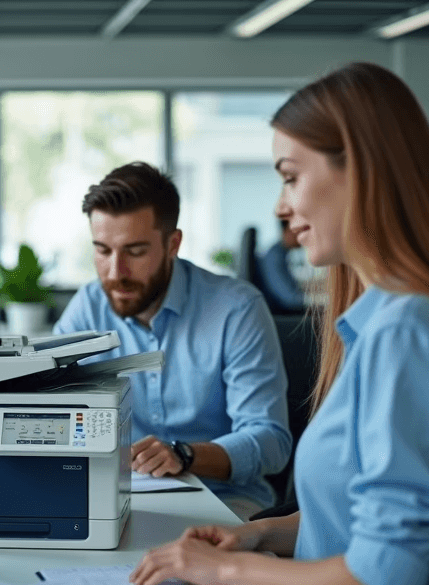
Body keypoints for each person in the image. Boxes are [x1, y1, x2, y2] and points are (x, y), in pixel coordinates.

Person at [130, 63, 429, 585]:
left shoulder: (409, 334)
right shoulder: (386, 323)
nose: (281, 206)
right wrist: (261, 534)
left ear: (361, 174)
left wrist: (225, 572)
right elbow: (362, 515)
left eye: (291, 178)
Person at [54, 162, 292, 520]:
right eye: (103, 251)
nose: (116, 272)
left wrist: (184, 455)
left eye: (134, 251)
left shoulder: (237, 309)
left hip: (225, 499)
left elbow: (271, 441)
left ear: (173, 244)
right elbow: (52, 407)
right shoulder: (88, 307)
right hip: (123, 499)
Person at [256, 218, 306, 313]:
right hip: (285, 318)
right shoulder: (274, 257)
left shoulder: (280, 254)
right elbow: (290, 300)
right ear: (288, 230)